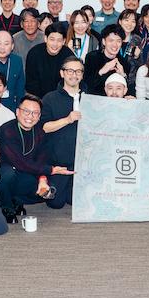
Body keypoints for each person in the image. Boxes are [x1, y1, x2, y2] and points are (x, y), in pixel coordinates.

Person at [0, 95, 73, 222]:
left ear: (39, 116)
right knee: (7, 174)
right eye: (26, 111)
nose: (30, 116)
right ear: (17, 112)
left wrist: (42, 179)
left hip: (26, 173)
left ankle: (15, 200)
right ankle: (6, 206)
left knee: (49, 191)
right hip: (5, 174)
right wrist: (50, 170)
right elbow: (20, 162)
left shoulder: (39, 132)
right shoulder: (7, 130)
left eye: (35, 113)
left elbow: (43, 159)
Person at [40, 58, 86, 209]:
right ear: (62, 73)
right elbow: (45, 127)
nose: (74, 75)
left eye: (78, 71)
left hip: (81, 162)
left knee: (76, 201)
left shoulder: (89, 98)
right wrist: (67, 119)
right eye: (70, 71)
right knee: (55, 203)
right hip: (58, 162)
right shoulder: (49, 98)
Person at [25, 24, 73, 98]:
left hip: (61, 96)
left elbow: (70, 81)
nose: (55, 44)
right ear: (45, 39)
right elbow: (31, 83)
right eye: (52, 39)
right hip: (38, 98)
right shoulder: (34, 53)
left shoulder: (68, 55)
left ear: (64, 41)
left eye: (59, 40)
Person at [82, 24, 129, 97]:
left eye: (118, 41)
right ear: (104, 41)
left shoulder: (124, 63)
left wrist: (123, 75)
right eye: (111, 40)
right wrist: (102, 71)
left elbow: (127, 91)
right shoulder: (92, 57)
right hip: (95, 102)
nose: (115, 45)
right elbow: (86, 86)